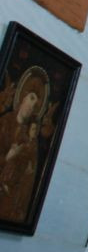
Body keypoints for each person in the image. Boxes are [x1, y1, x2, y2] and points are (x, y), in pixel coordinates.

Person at [0, 67, 49, 222]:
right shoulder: (4, 122)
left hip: (11, 202)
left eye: (37, 104)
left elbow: (29, 179)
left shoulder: (31, 138)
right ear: (23, 96)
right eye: (32, 98)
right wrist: (7, 158)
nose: (33, 106)